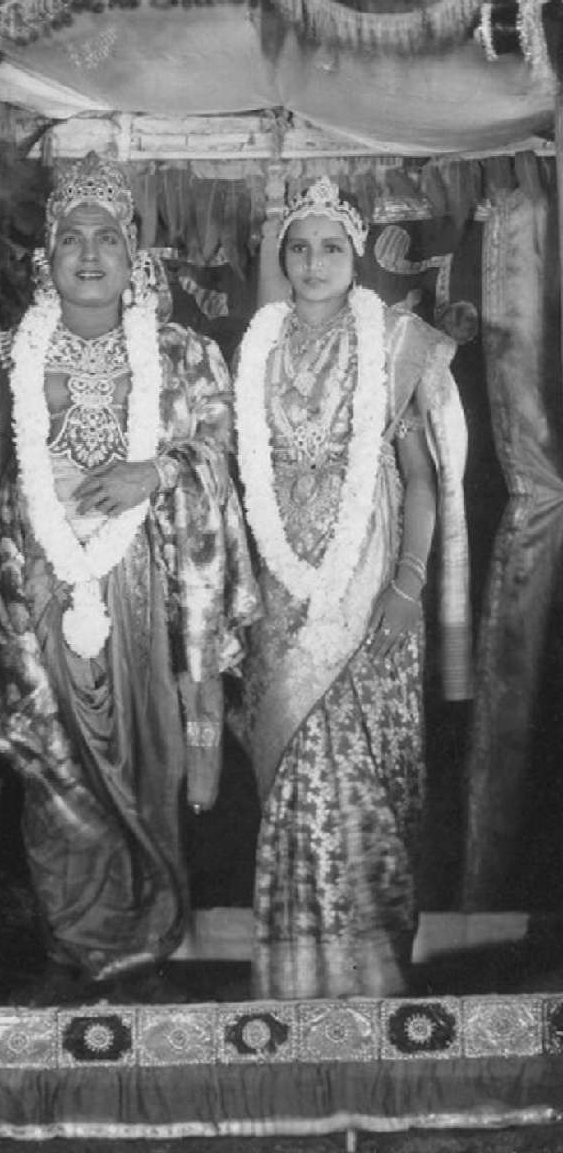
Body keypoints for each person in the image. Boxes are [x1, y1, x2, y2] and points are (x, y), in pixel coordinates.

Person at [0, 153, 259, 1002]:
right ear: (46, 257)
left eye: (106, 239)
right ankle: (74, 950)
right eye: (71, 239)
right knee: (52, 768)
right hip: (36, 586)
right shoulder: (9, 354)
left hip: (144, 586)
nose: (88, 254)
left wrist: (150, 474)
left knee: (150, 761)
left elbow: (219, 452)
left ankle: (143, 952)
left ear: (135, 259)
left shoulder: (182, 354)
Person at [233, 177, 471, 1000]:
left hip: (372, 580)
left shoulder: (393, 341)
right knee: (296, 765)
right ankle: (296, 982)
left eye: (330, 247)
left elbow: (422, 479)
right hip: (280, 586)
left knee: (365, 767)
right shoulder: (258, 347)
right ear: (282, 258)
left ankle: (375, 980)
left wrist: (408, 582)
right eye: (298, 248)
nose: (313, 262)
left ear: (356, 254)